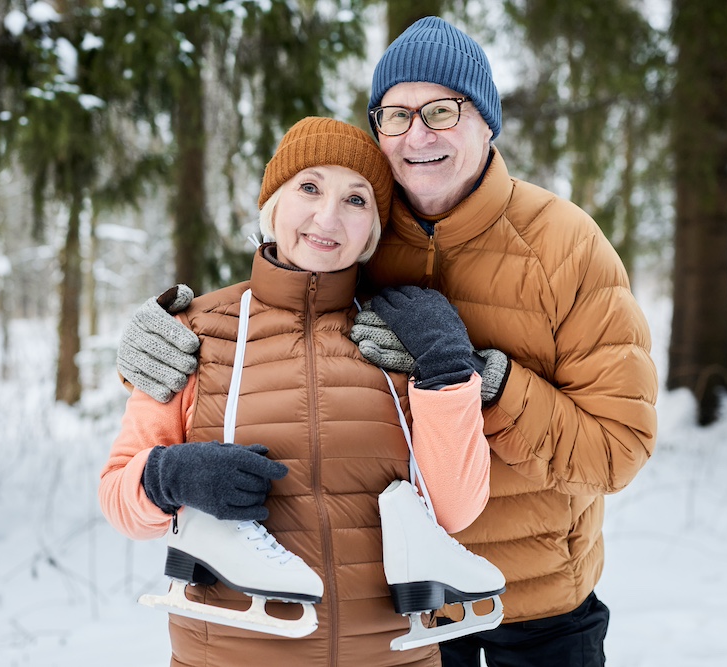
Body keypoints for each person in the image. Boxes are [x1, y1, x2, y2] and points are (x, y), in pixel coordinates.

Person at [115, 16, 658, 667]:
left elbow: (618, 449)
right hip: (405, 606)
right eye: (395, 115)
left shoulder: (565, 246)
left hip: (537, 604)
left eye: (441, 110)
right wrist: (153, 353)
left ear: (486, 121)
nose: (418, 134)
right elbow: (278, 317)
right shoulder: (356, 222)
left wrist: (488, 381)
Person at [100, 117, 500, 667]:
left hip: (392, 657)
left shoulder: (399, 335)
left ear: (373, 230)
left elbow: (455, 508)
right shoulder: (193, 332)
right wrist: (169, 476)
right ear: (273, 204)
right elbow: (119, 499)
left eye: (356, 200)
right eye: (308, 188)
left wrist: (448, 368)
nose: (327, 217)